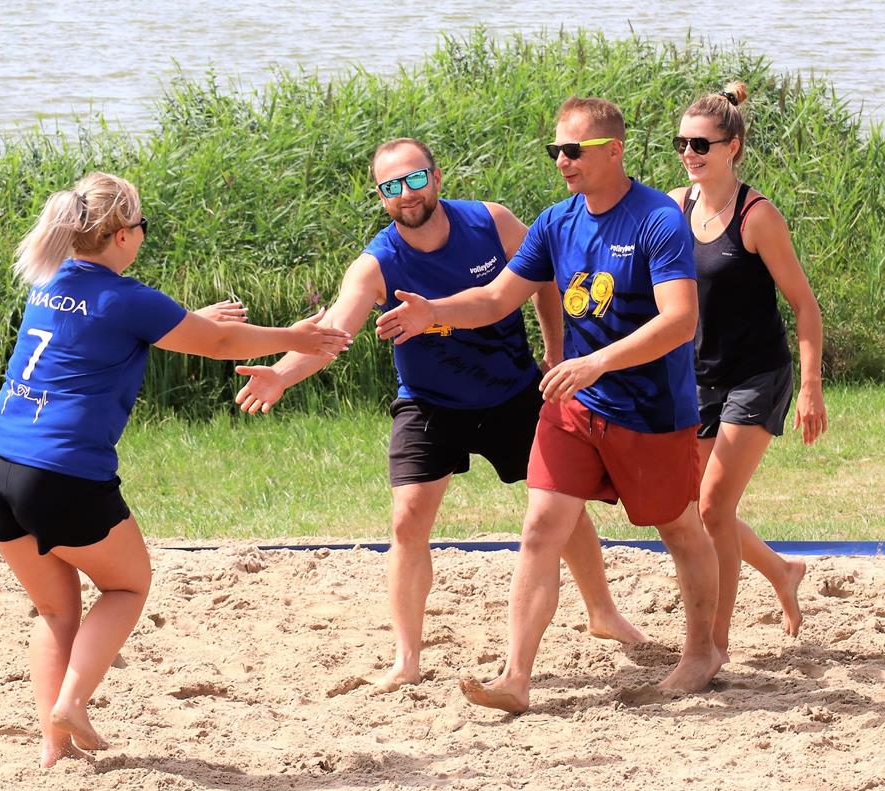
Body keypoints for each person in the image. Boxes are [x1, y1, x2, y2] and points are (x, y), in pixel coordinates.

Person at [235, 138, 647, 694]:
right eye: (390, 186)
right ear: (380, 196)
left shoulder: (491, 222)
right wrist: (282, 374)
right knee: (407, 521)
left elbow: (546, 281)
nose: (405, 194)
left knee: (562, 510)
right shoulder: (377, 263)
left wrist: (556, 349)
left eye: (414, 179)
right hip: (430, 401)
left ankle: (602, 612)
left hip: (512, 392)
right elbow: (334, 332)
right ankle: (407, 659)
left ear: (436, 176)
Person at [0, 172, 351, 767]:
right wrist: (296, 336)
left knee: (56, 610)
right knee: (126, 586)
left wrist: (187, 318)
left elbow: (108, 329)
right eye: (142, 225)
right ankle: (71, 703)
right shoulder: (130, 300)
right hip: (61, 473)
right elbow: (219, 345)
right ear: (123, 234)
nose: (143, 235)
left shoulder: (50, 281)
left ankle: (54, 747)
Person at [377, 99, 723, 712]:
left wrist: (598, 361)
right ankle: (516, 678)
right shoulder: (555, 222)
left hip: (650, 409)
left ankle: (702, 651)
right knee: (539, 528)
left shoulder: (657, 219)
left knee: (678, 527)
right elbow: (495, 299)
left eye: (574, 150)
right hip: (574, 403)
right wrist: (435, 313)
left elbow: (680, 321)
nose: (562, 161)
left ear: (613, 151)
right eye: (555, 151)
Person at [668, 83, 827, 658]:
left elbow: (805, 306)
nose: (689, 153)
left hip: (757, 377)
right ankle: (783, 571)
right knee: (700, 509)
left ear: (731, 147)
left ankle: (714, 644)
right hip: (697, 377)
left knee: (713, 507)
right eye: (682, 143)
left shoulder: (758, 217)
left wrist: (810, 387)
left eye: (701, 144)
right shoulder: (675, 206)